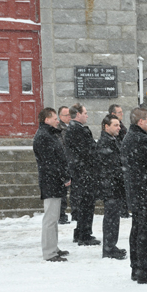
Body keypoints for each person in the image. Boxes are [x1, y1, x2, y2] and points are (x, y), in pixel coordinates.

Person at [121, 108, 147, 284]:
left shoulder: (132, 137)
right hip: (145, 192)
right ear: (140, 122)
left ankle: (137, 267)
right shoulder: (140, 139)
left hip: (138, 192)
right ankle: (144, 270)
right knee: (145, 232)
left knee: (138, 231)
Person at [33, 108, 71, 262]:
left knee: (54, 217)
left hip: (54, 181)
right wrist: (63, 176)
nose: (57, 120)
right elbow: (50, 162)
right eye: (55, 118)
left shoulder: (50, 134)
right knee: (50, 218)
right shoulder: (44, 136)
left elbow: (58, 158)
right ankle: (49, 252)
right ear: (46, 119)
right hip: (50, 181)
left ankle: (53, 247)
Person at [64, 103, 99, 246]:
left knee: (84, 203)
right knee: (86, 204)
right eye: (85, 113)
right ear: (77, 114)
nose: (87, 115)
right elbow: (87, 152)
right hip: (84, 172)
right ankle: (84, 234)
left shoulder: (72, 129)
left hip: (80, 172)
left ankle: (80, 232)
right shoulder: (78, 130)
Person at [95, 114, 127, 260]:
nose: (119, 128)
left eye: (119, 125)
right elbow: (111, 166)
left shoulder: (113, 141)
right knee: (111, 218)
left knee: (114, 218)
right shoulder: (104, 143)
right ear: (106, 126)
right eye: (115, 125)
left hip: (114, 185)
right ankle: (108, 248)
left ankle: (111, 245)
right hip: (110, 186)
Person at [57, 106, 71, 225]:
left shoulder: (72, 127)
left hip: (72, 162)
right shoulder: (59, 129)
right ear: (60, 117)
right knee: (62, 191)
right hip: (64, 162)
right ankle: (61, 214)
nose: (69, 117)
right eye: (66, 115)